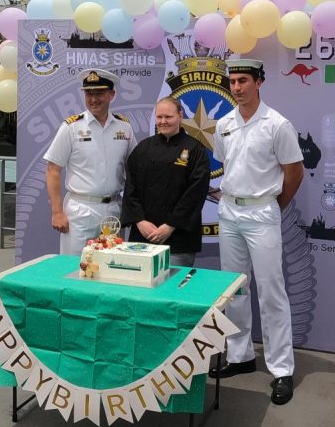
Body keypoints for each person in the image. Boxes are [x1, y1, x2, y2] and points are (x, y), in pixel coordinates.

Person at [208, 59, 304, 405]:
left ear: (259, 82)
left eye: (243, 80)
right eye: (233, 81)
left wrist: (274, 207)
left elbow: (294, 172)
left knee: (271, 291)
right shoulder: (224, 124)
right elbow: (224, 162)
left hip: (263, 211)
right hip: (230, 212)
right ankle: (240, 355)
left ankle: (281, 369)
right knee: (234, 290)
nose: (237, 87)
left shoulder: (277, 124)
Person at [44, 68, 137, 255]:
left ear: (112, 95)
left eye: (99, 93)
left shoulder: (124, 127)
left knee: (111, 266)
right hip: (80, 210)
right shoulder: (71, 127)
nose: (93, 99)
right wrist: (57, 212)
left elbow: (134, 168)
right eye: (89, 93)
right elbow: (53, 170)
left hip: (113, 210)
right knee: (75, 268)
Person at [121, 97, 210, 267]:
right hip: (142, 236)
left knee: (174, 289)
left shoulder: (195, 150)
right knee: (138, 289)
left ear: (180, 116)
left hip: (178, 238)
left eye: (168, 117)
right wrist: (139, 221)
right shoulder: (143, 148)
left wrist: (170, 225)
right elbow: (130, 188)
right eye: (159, 117)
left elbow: (195, 194)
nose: (163, 122)